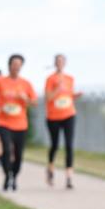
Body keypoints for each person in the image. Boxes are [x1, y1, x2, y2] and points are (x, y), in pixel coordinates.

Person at [0, 54, 37, 191]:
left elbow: (34, 102)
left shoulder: (26, 84)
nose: (16, 66)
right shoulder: (0, 81)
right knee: (6, 150)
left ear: (21, 67)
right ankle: (6, 175)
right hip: (3, 122)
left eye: (19, 64)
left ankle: (14, 176)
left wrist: (25, 98)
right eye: (14, 64)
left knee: (19, 154)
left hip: (20, 124)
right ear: (9, 65)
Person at [44, 53, 82, 189]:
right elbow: (48, 98)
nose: (60, 63)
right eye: (57, 61)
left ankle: (69, 176)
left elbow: (68, 96)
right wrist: (56, 89)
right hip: (53, 116)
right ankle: (50, 168)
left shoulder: (69, 79)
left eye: (62, 61)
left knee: (69, 145)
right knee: (54, 145)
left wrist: (75, 95)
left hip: (69, 114)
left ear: (65, 63)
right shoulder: (50, 79)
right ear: (55, 63)